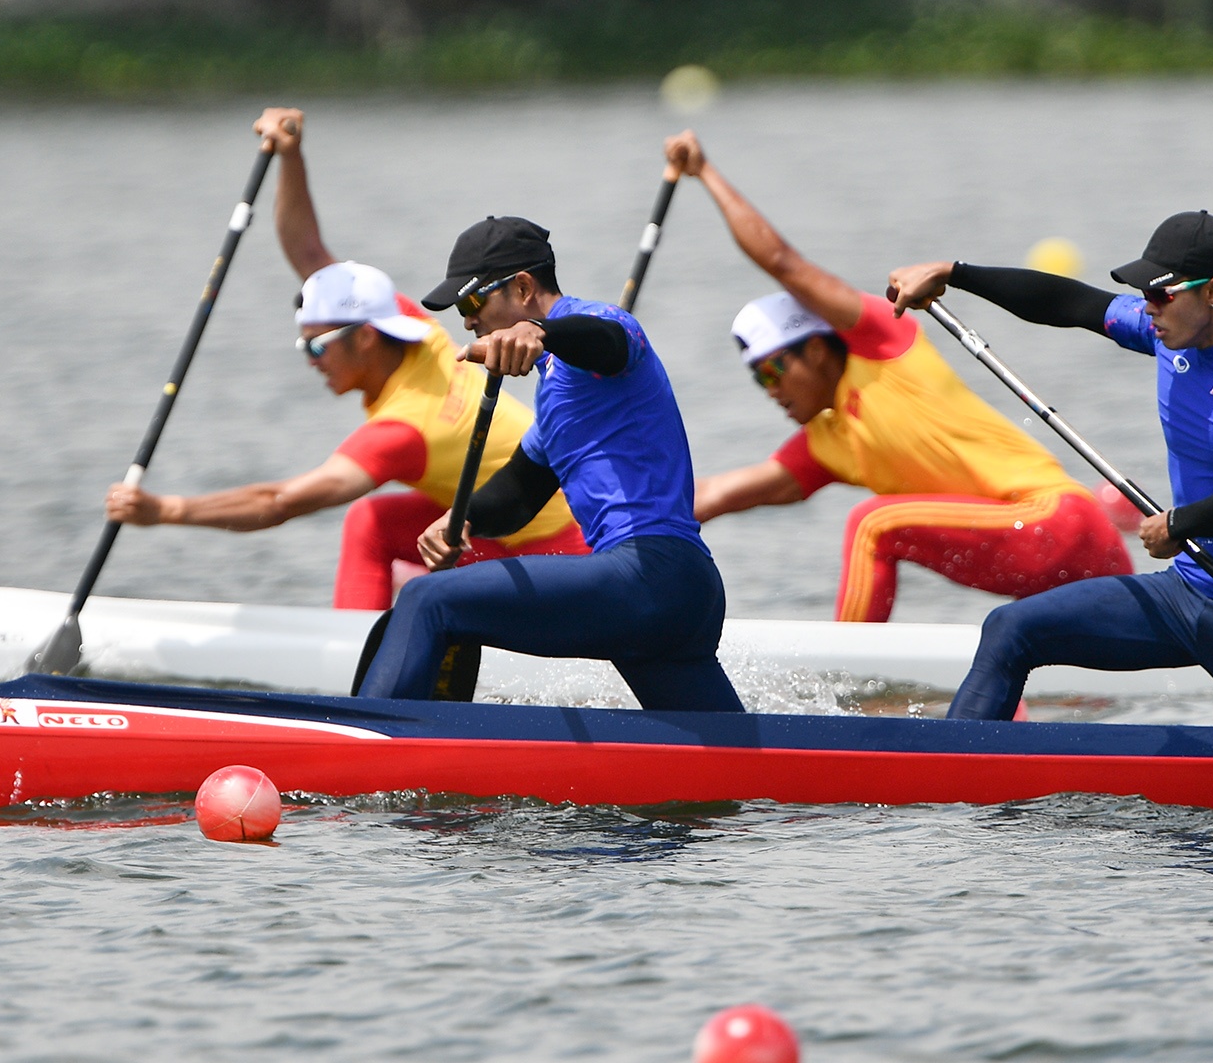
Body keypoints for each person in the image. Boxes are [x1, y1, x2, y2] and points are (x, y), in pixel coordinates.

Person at [104, 107, 587, 608]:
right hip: (532, 518)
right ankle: (390, 616)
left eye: (317, 346)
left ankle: (356, 649)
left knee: (368, 523)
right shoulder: (416, 330)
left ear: (365, 339)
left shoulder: (403, 430)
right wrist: (290, 155)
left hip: (556, 550)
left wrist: (166, 510)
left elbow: (280, 502)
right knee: (382, 523)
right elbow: (310, 255)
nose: (311, 361)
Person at [663, 131, 1131, 624]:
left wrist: (705, 172)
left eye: (773, 369)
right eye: (758, 379)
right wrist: (607, 513)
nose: (770, 389)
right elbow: (708, 498)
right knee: (1024, 666)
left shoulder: (884, 347)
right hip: (1070, 569)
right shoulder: (826, 444)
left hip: (1058, 521)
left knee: (873, 523)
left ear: (817, 349)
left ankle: (845, 668)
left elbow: (781, 262)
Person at [886, 210, 1213, 727]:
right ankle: (958, 764)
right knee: (1010, 629)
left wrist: (1181, 523)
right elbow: (1070, 303)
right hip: (1184, 595)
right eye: (1145, 294)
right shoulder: (1169, 332)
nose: (1148, 308)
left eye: (1161, 295)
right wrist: (953, 273)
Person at [355, 215, 745, 713]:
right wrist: (461, 519)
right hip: (681, 595)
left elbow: (604, 339)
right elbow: (518, 495)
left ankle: (365, 736)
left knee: (427, 599)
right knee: (725, 751)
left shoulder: (605, 326)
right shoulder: (558, 400)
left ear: (522, 288)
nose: (468, 322)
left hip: (649, 572)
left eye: (473, 302)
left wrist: (538, 329)